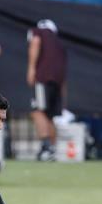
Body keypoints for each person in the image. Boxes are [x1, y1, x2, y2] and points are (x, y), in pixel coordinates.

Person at [26, 19, 67, 161]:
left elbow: (35, 42)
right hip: (57, 82)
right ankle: (52, 149)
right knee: (50, 116)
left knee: (37, 111)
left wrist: (31, 69)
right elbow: (64, 70)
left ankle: (46, 147)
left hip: (43, 78)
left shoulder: (39, 32)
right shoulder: (60, 44)